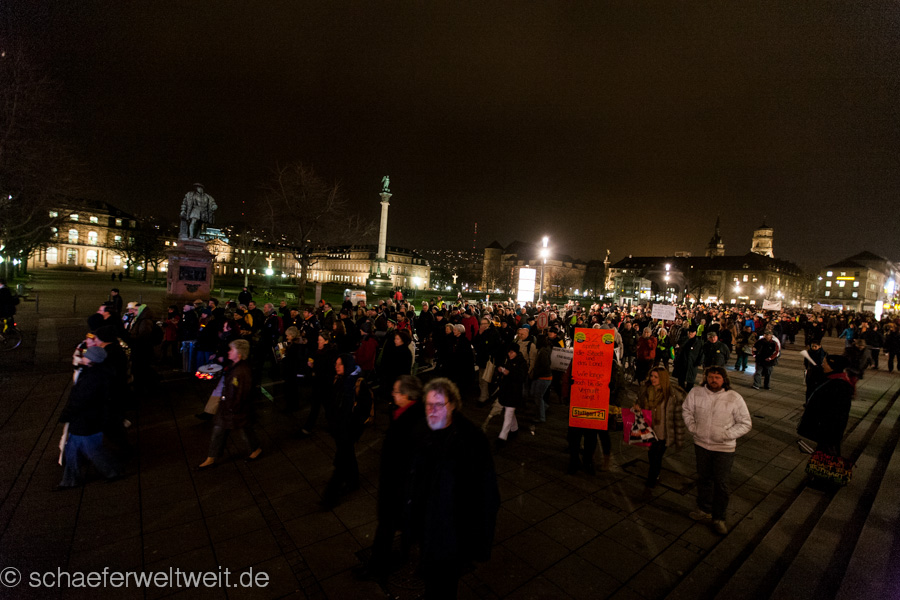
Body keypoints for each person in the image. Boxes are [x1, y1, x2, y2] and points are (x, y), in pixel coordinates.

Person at [407, 378, 499, 598]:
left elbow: (488, 495)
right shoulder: (421, 433)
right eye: (428, 404)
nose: (432, 410)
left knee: (446, 585)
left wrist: (480, 542)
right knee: (432, 582)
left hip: (455, 532)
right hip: (428, 526)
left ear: (452, 405)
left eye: (439, 404)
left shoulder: (472, 441)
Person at [359, 375, 425, 581]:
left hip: (399, 486)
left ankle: (377, 566)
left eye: (396, 391)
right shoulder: (404, 413)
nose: (393, 394)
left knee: (387, 525)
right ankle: (401, 552)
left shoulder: (412, 420)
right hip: (398, 484)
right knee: (398, 524)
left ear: (407, 395)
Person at [682, 366, 752, 535]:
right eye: (711, 377)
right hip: (701, 445)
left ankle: (719, 518)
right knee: (704, 478)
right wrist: (693, 428)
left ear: (724, 380)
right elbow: (687, 411)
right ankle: (704, 509)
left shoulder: (734, 398)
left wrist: (726, 435)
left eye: (717, 377)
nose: (713, 380)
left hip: (724, 448)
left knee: (721, 483)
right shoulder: (696, 393)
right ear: (706, 378)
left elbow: (745, 423)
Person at [57, 346, 123, 488]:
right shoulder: (96, 373)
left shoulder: (92, 378)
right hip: (88, 420)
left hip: (86, 421)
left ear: (92, 360)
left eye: (87, 355)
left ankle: (112, 471)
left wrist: (66, 414)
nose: (84, 356)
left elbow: (79, 400)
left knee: (92, 450)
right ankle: (70, 480)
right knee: (73, 450)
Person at [198, 340, 262, 469]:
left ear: (239, 354)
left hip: (233, 408)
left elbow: (241, 392)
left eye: (231, 350)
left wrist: (232, 407)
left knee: (229, 429)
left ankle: (212, 457)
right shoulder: (236, 366)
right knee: (236, 428)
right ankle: (212, 457)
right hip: (231, 408)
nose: (229, 352)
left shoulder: (241, 371)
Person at [321, 353, 371, 508]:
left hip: (348, 430)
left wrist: (353, 426)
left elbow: (364, 408)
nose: (336, 367)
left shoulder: (357, 383)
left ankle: (330, 497)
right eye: (336, 364)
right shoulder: (339, 379)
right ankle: (353, 481)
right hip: (338, 428)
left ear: (347, 365)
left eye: (340, 364)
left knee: (341, 461)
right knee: (348, 455)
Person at [635, 367, 686, 490]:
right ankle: (655, 474)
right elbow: (639, 403)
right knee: (651, 455)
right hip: (649, 428)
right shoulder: (645, 390)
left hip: (663, 431)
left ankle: (652, 478)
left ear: (662, 378)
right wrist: (637, 407)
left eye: (656, 377)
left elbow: (679, 416)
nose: (652, 379)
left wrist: (678, 433)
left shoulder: (672, 394)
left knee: (657, 456)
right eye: (651, 376)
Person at [797, 355, 854, 457]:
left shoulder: (839, 385)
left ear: (833, 366)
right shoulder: (831, 378)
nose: (822, 365)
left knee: (828, 453)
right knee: (824, 451)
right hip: (825, 427)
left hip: (829, 428)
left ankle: (828, 465)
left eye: (825, 363)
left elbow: (835, 411)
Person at [496, 343, 528, 447]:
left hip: (514, 392)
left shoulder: (521, 362)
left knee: (508, 413)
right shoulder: (509, 360)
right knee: (509, 411)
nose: (509, 354)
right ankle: (514, 429)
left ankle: (503, 436)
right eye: (509, 352)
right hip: (507, 391)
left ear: (516, 352)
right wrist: (500, 371)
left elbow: (521, 377)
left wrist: (509, 373)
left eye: (512, 352)